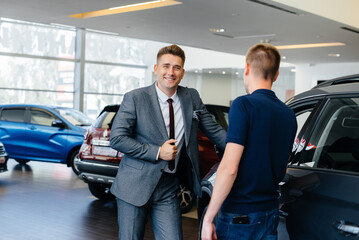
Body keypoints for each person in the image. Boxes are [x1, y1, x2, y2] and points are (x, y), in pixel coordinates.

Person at [110, 44, 226, 240]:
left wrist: (241, 150)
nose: (170, 72)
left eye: (176, 67)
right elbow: (117, 138)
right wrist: (156, 152)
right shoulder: (135, 98)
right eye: (166, 66)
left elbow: (213, 129)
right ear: (156, 69)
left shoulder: (191, 97)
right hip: (133, 187)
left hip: (168, 187)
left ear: (182, 73)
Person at [201, 43, 297, 240]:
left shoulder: (243, 105)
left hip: (240, 215)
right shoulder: (289, 115)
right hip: (270, 212)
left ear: (247, 68)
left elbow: (229, 167)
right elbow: (282, 168)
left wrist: (208, 218)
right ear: (276, 74)